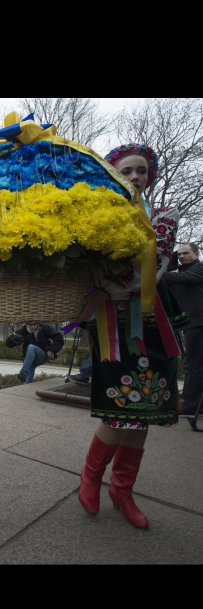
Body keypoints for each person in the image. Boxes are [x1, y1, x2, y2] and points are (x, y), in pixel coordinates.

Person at [76, 143, 187, 530]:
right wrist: (104, 289)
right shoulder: (97, 218)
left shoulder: (164, 219)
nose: (136, 177)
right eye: (126, 171)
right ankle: (91, 477)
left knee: (146, 411)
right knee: (121, 407)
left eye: (141, 170)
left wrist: (106, 289)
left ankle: (122, 489)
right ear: (114, 176)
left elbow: (147, 273)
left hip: (154, 323)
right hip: (115, 325)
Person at [163, 243, 203, 430]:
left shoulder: (199, 269)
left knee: (193, 365)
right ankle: (196, 405)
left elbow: (184, 278)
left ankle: (189, 405)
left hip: (198, 323)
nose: (182, 256)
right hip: (189, 324)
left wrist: (157, 274)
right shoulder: (178, 272)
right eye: (179, 254)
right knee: (192, 365)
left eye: (186, 253)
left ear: (196, 253)